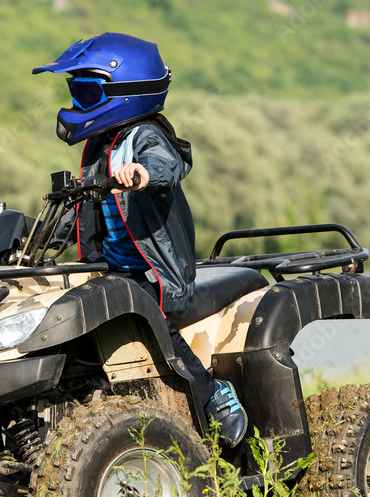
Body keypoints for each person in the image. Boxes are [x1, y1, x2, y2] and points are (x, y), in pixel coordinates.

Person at [32, 32, 248, 447]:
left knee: (154, 324)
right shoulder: (98, 145)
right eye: (74, 91)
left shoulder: (146, 136)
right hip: (112, 271)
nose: (77, 102)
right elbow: (86, 210)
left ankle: (213, 396)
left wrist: (143, 174)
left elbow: (167, 163)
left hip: (154, 272)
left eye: (86, 92)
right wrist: (38, 237)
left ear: (126, 92)